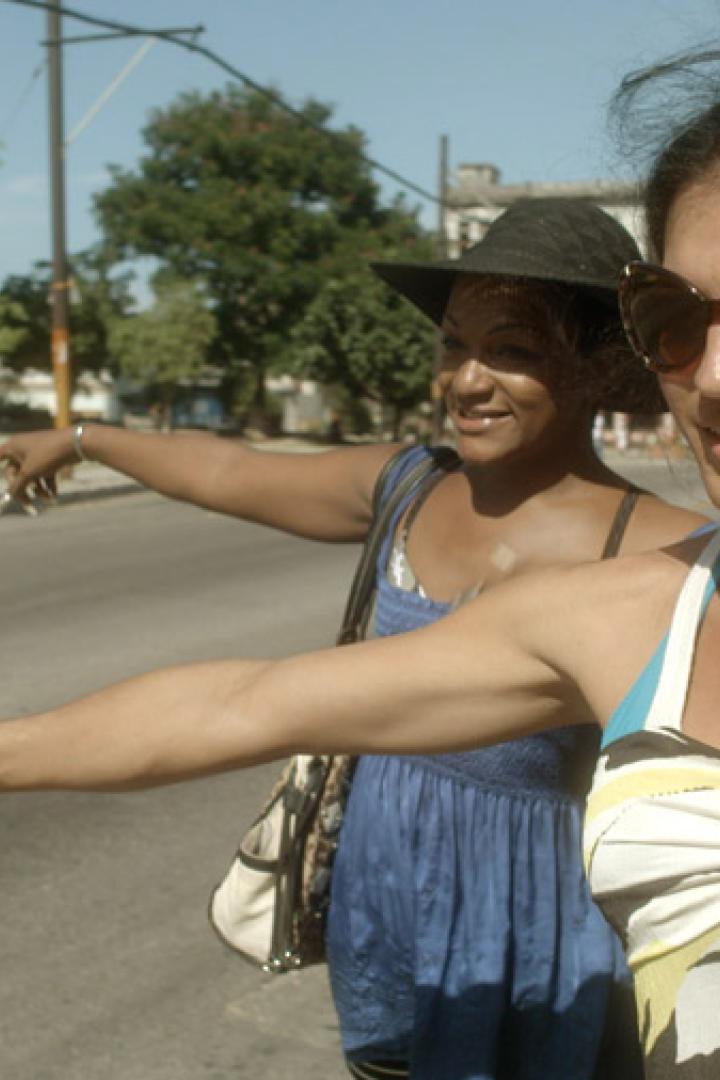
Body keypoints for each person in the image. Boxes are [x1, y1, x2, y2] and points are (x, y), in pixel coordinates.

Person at [3, 198, 703, 1079]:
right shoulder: (407, 486)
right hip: (385, 913)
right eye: (454, 345)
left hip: (542, 947)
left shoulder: (654, 554)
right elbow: (231, 471)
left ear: (602, 367)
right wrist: (81, 438)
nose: (468, 380)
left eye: (514, 351)